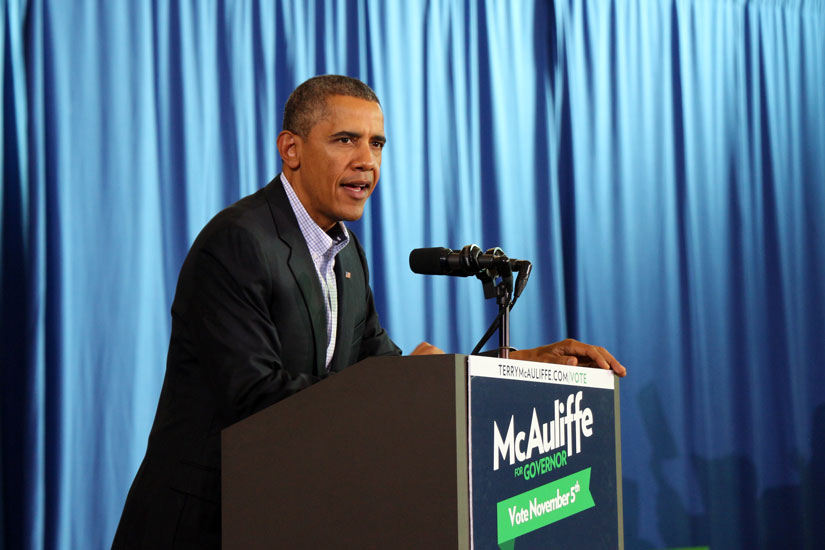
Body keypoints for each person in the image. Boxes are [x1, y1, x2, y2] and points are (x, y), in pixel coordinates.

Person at [112, 75, 626, 549]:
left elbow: (382, 375)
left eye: (376, 143)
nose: (367, 160)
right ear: (291, 150)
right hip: (205, 525)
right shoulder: (237, 244)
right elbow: (258, 399)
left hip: (290, 518)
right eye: (345, 140)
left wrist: (519, 365)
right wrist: (410, 384)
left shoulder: (346, 253)